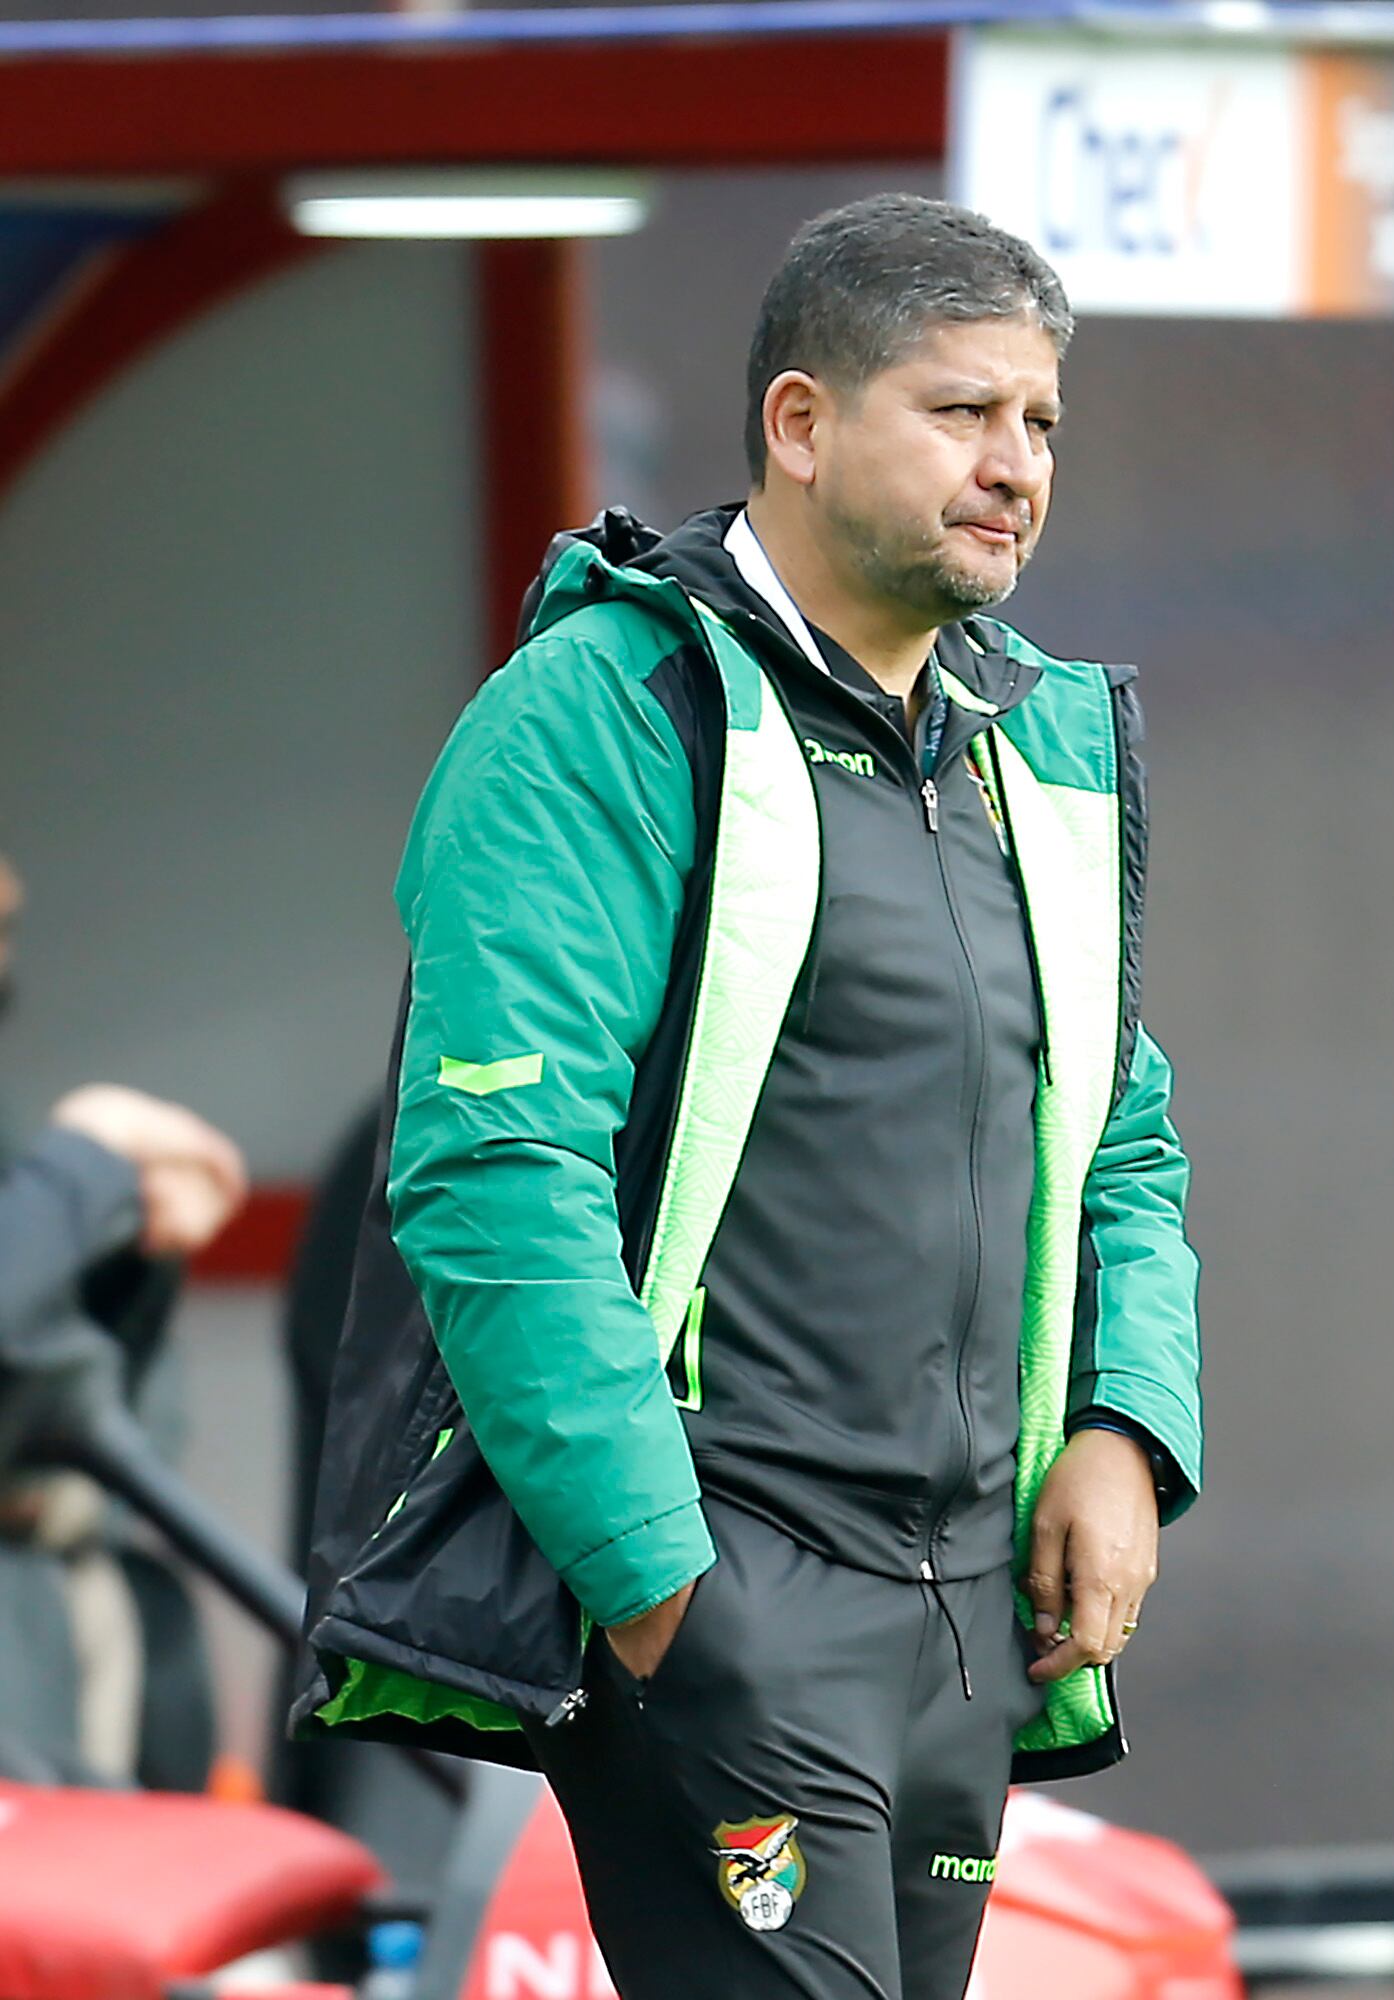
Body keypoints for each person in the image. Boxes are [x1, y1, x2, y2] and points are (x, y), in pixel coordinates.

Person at [293, 196, 1203, 2000]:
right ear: (799, 424)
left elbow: (1123, 1138)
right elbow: (496, 1169)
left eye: (1039, 425)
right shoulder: (599, 714)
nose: (1014, 465)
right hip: (729, 1595)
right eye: (959, 413)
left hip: (969, 1625)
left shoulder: (1038, 751)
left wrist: (1126, 1429)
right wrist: (660, 1590)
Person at [0, 851, 248, 1784]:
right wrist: (90, 1162)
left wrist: (131, 1250)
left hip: (50, 1655)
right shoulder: (62, 1158)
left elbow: (81, 1390)